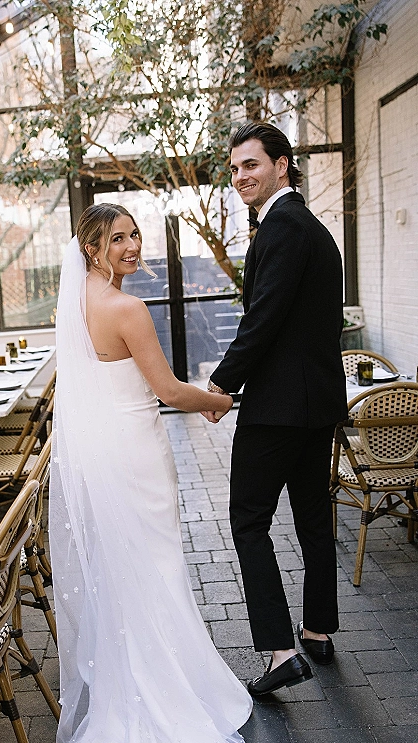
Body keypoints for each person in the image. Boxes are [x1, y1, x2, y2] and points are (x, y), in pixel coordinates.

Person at [45, 203, 277, 743]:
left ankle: (146, 674)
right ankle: (167, 691)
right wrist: (219, 399)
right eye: (115, 238)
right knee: (156, 569)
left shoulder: (77, 303)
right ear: (91, 248)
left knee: (133, 576)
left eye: (133, 234)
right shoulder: (128, 311)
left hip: (103, 453)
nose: (130, 245)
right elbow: (171, 391)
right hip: (137, 453)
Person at [205, 122, 348, 696]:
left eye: (251, 165)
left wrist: (220, 385)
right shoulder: (310, 228)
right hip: (317, 406)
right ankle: (317, 631)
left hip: (278, 408)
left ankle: (279, 651)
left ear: (282, 165)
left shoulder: (283, 228)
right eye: (235, 168)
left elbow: (262, 318)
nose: (240, 177)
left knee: (248, 523)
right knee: (314, 520)